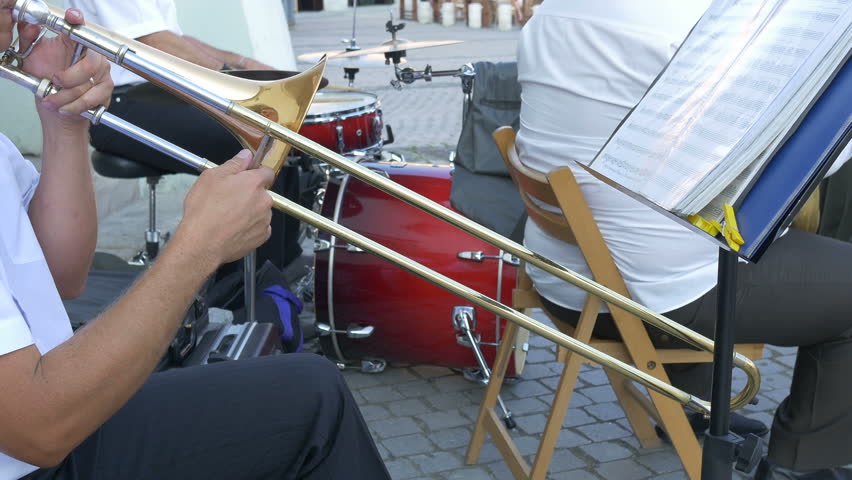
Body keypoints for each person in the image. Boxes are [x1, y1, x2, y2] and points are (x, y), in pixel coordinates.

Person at [0, 5, 389, 480]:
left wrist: (65, 120)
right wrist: (196, 249)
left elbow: (61, 275)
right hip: (31, 456)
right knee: (314, 399)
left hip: (44, 415)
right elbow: (38, 430)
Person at [516, 2, 852, 479]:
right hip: (648, 302)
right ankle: (798, 466)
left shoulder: (551, 13)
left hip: (564, 283)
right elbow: (779, 166)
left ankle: (695, 407)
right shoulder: (696, 25)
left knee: (666, 236)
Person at [64, 0, 275, 174]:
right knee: (261, 144)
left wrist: (244, 65)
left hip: (152, 95)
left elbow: (176, 39)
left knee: (270, 132)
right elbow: (153, 41)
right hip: (116, 106)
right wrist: (231, 80)